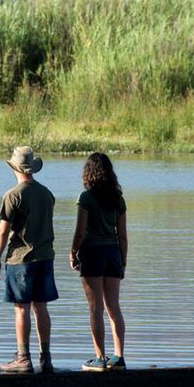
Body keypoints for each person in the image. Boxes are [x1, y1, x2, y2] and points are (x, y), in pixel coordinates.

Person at [0, 146, 58, 373]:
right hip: (45, 257)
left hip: (21, 259)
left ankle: (23, 358)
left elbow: (2, 231)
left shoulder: (13, 195)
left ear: (15, 168)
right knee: (41, 308)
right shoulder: (47, 193)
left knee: (22, 309)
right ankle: (46, 358)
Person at [69, 152, 127, 372]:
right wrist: (123, 260)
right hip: (113, 253)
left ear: (89, 173)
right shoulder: (118, 199)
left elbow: (80, 232)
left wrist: (73, 252)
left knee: (95, 308)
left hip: (92, 253)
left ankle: (100, 358)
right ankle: (119, 357)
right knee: (114, 306)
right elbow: (122, 235)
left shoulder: (86, 198)